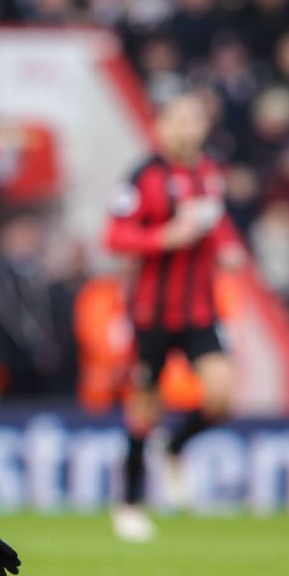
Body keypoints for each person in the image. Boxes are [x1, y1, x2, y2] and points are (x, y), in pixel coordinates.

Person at [105, 93, 244, 542]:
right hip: (152, 313)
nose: (186, 128)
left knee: (221, 395)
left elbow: (216, 224)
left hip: (200, 310)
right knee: (144, 409)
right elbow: (115, 235)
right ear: (160, 127)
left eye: (194, 119)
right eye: (178, 120)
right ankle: (129, 504)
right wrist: (164, 236)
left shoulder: (208, 174)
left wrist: (227, 247)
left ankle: (177, 446)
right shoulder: (144, 175)